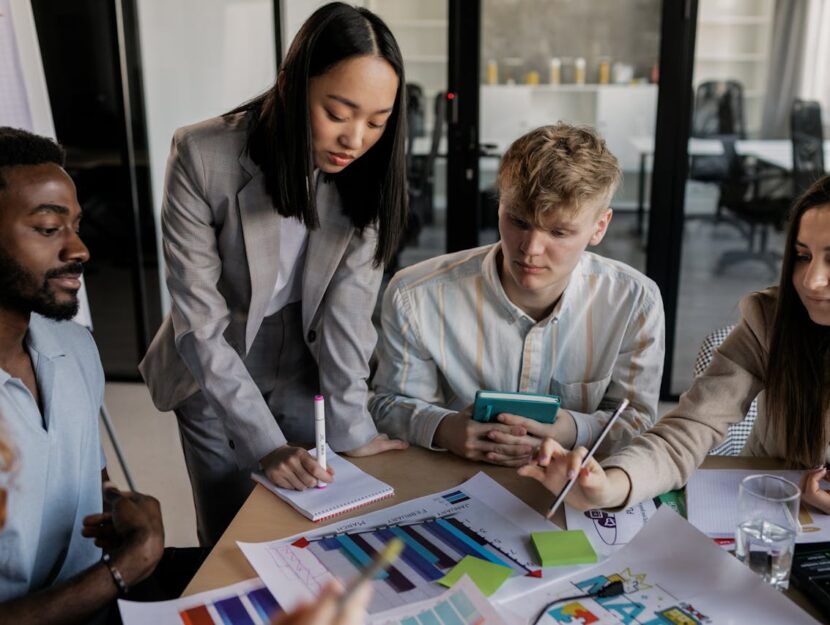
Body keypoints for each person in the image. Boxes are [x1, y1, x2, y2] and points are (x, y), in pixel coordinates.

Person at [139, 2, 410, 546]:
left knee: (322, 523)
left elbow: (349, 314)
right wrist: (265, 443)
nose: (355, 139)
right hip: (213, 360)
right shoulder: (202, 154)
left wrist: (354, 427)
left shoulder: (368, 177)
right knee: (232, 534)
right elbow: (200, 321)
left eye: (376, 122)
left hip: (305, 352)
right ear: (292, 84)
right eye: (338, 112)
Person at [520, 174, 830, 513]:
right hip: (768, 508)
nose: (812, 281)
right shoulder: (771, 321)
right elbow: (688, 430)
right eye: (803, 256)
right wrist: (608, 487)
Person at [371, 124, 665, 466]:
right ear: (499, 206)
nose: (530, 249)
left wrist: (572, 430)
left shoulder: (634, 302)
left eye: (558, 232)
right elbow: (388, 403)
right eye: (519, 221)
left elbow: (638, 420)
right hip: (452, 476)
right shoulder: (414, 296)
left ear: (599, 227)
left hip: (572, 488)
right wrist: (444, 429)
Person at [0, 126, 165, 624]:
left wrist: (118, 505)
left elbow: (86, 472)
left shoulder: (71, 346)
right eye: (50, 230)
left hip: (100, 597)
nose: (79, 249)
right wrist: (125, 568)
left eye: (75, 226)